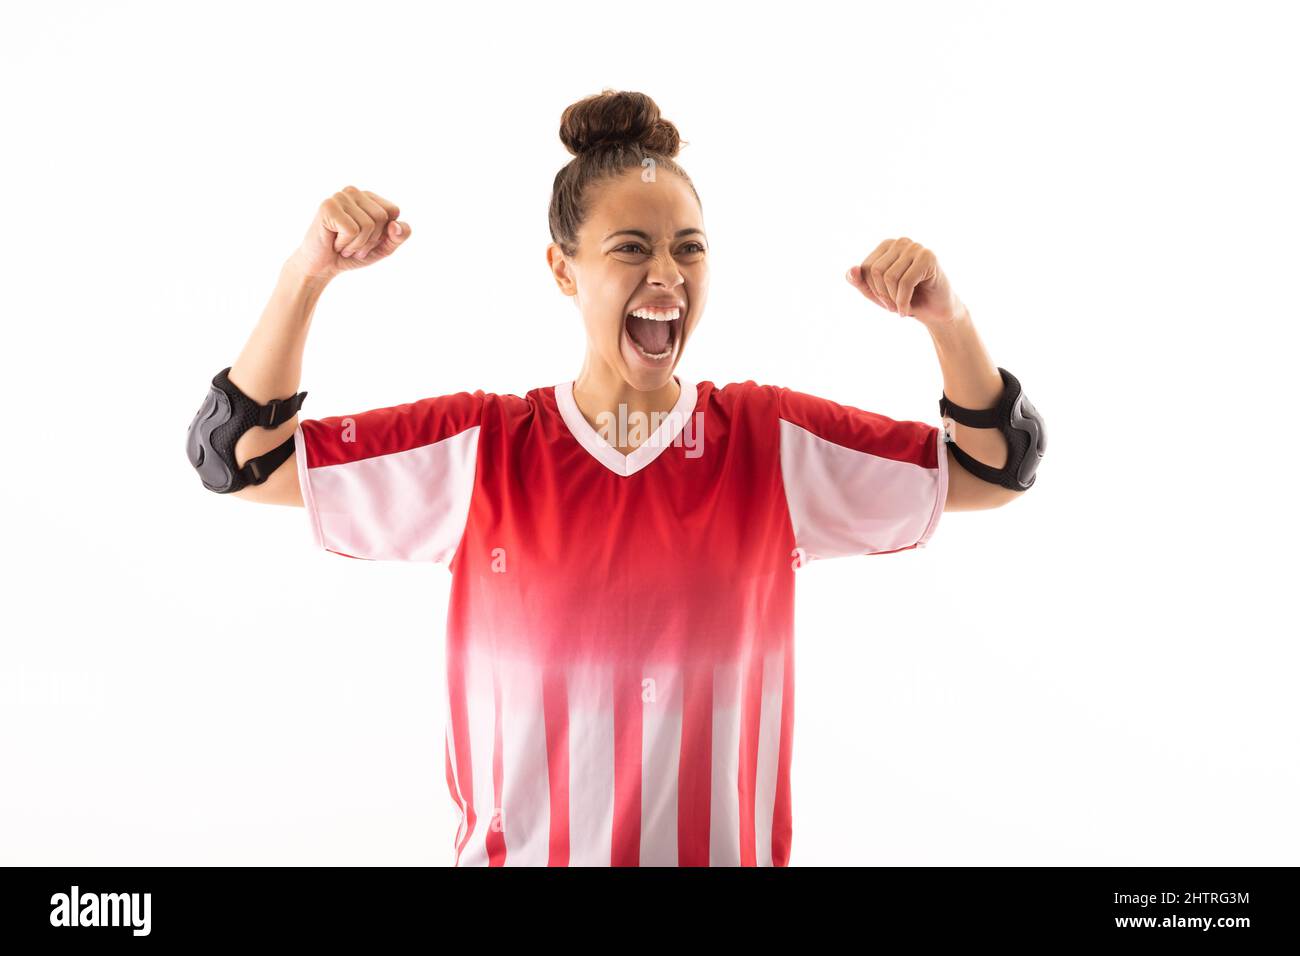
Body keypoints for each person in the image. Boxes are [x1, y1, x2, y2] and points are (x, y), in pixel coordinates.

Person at [186, 89, 1044, 866]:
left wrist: (948, 320)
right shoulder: (481, 449)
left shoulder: (768, 443)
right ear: (564, 270)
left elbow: (996, 468)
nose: (666, 275)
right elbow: (236, 460)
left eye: (688, 249)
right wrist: (308, 272)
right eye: (630, 247)